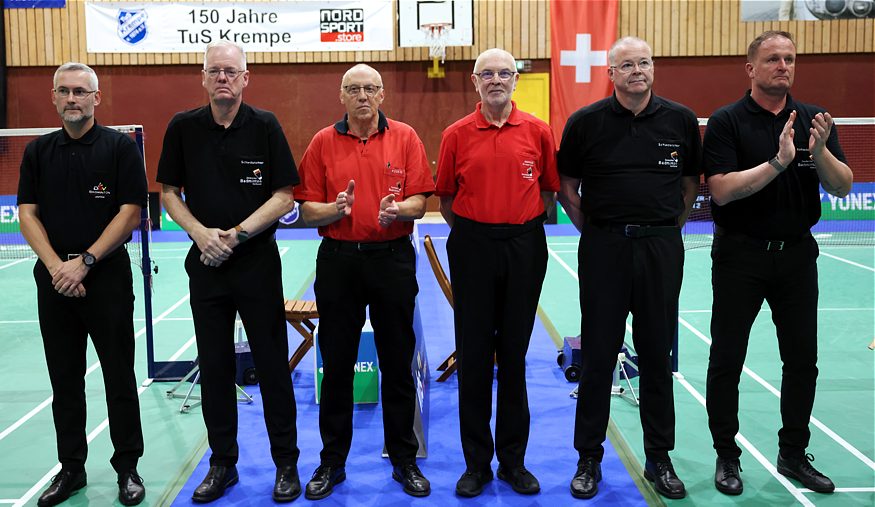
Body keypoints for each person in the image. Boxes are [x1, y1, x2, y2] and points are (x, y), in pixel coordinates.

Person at [703, 30, 851, 496]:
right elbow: (722, 191)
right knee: (727, 359)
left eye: (789, 58)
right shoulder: (727, 121)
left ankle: (792, 454)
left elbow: (843, 185)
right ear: (751, 68)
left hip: (796, 258)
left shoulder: (814, 120)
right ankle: (727, 456)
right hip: (739, 256)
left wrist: (819, 151)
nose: (782, 66)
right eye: (772, 59)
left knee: (802, 360)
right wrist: (779, 162)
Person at [156, 41, 301, 503]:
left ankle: (286, 464)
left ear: (245, 78)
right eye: (214, 71)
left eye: (230, 71)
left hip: (256, 263)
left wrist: (235, 236)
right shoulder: (183, 128)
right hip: (206, 266)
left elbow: (284, 196)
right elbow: (168, 194)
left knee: (274, 366)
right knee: (215, 368)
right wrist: (202, 234)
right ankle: (223, 464)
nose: (223, 78)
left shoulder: (265, 126)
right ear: (203, 77)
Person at [557, 37, 701, 500]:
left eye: (644, 63)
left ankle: (659, 458)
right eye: (626, 65)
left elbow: (690, 185)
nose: (637, 71)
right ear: (611, 74)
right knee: (598, 356)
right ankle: (588, 458)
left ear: (653, 69)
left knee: (657, 357)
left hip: (661, 248)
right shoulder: (585, 123)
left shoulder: (679, 119)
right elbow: (568, 186)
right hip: (605, 249)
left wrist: (661, 229)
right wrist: (599, 232)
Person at [295, 63, 434, 500]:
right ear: (341, 95)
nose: (361, 96)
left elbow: (419, 200)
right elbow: (303, 210)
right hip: (339, 262)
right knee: (336, 366)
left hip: (392, 260)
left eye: (369, 88)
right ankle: (331, 462)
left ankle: (404, 459)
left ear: (381, 94)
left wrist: (400, 210)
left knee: (397, 362)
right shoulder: (322, 141)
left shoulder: (406, 136)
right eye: (353, 88)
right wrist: (335, 209)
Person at [17, 62, 147, 507]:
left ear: (96, 98)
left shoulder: (118, 149)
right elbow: (27, 214)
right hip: (54, 282)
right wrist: (58, 267)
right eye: (64, 92)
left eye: (80, 92)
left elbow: (130, 212)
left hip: (106, 278)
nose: (72, 99)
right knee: (65, 380)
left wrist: (86, 262)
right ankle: (71, 468)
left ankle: (127, 467)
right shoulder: (37, 151)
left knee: (118, 376)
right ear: (54, 97)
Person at [435, 48, 559, 498]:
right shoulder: (455, 134)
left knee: (513, 357)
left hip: (525, 247)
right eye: (486, 74)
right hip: (472, 247)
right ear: (474, 82)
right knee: (472, 357)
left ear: (515, 80)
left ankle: (512, 461)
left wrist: (514, 228)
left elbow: (547, 192)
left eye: (504, 73)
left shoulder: (539, 131)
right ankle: (476, 465)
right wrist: (479, 233)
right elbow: (446, 199)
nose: (495, 80)